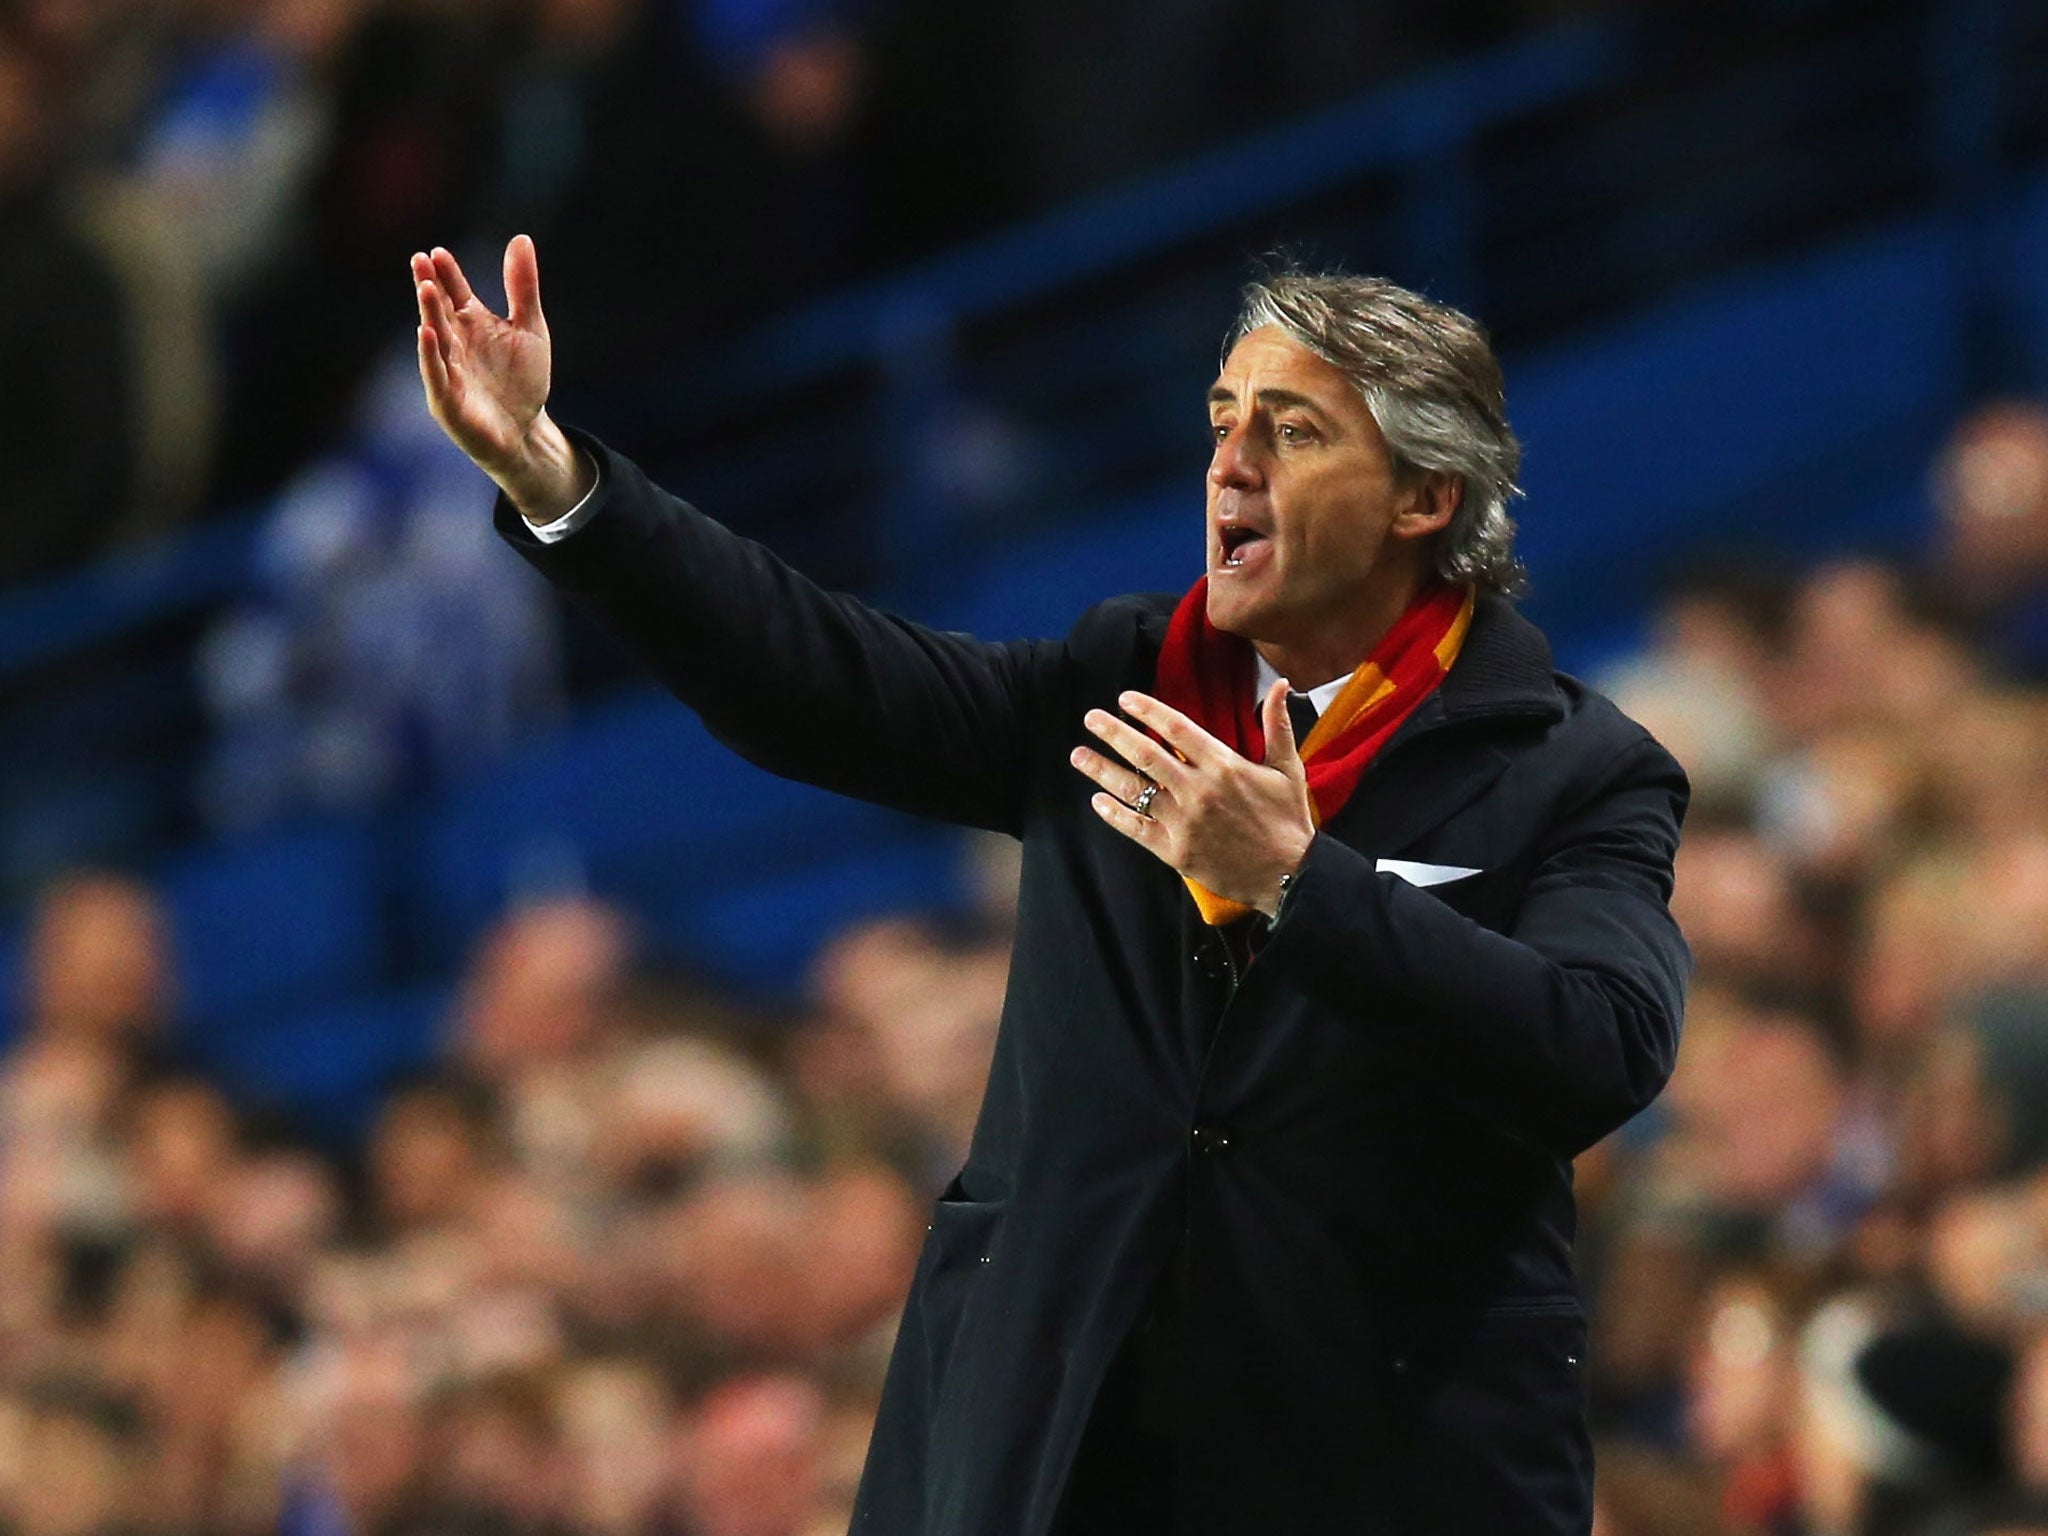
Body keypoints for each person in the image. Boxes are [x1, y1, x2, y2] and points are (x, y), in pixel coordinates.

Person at [409, 236, 1692, 1535]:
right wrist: (554, 476)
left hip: (1377, 1462)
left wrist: (1305, 883)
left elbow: (1599, 1048)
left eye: (1291, 432)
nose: (1231, 465)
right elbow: (816, 673)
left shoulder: (1573, 770)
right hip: (1050, 1448)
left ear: (1423, 499)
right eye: (1221, 422)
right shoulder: (1119, 686)